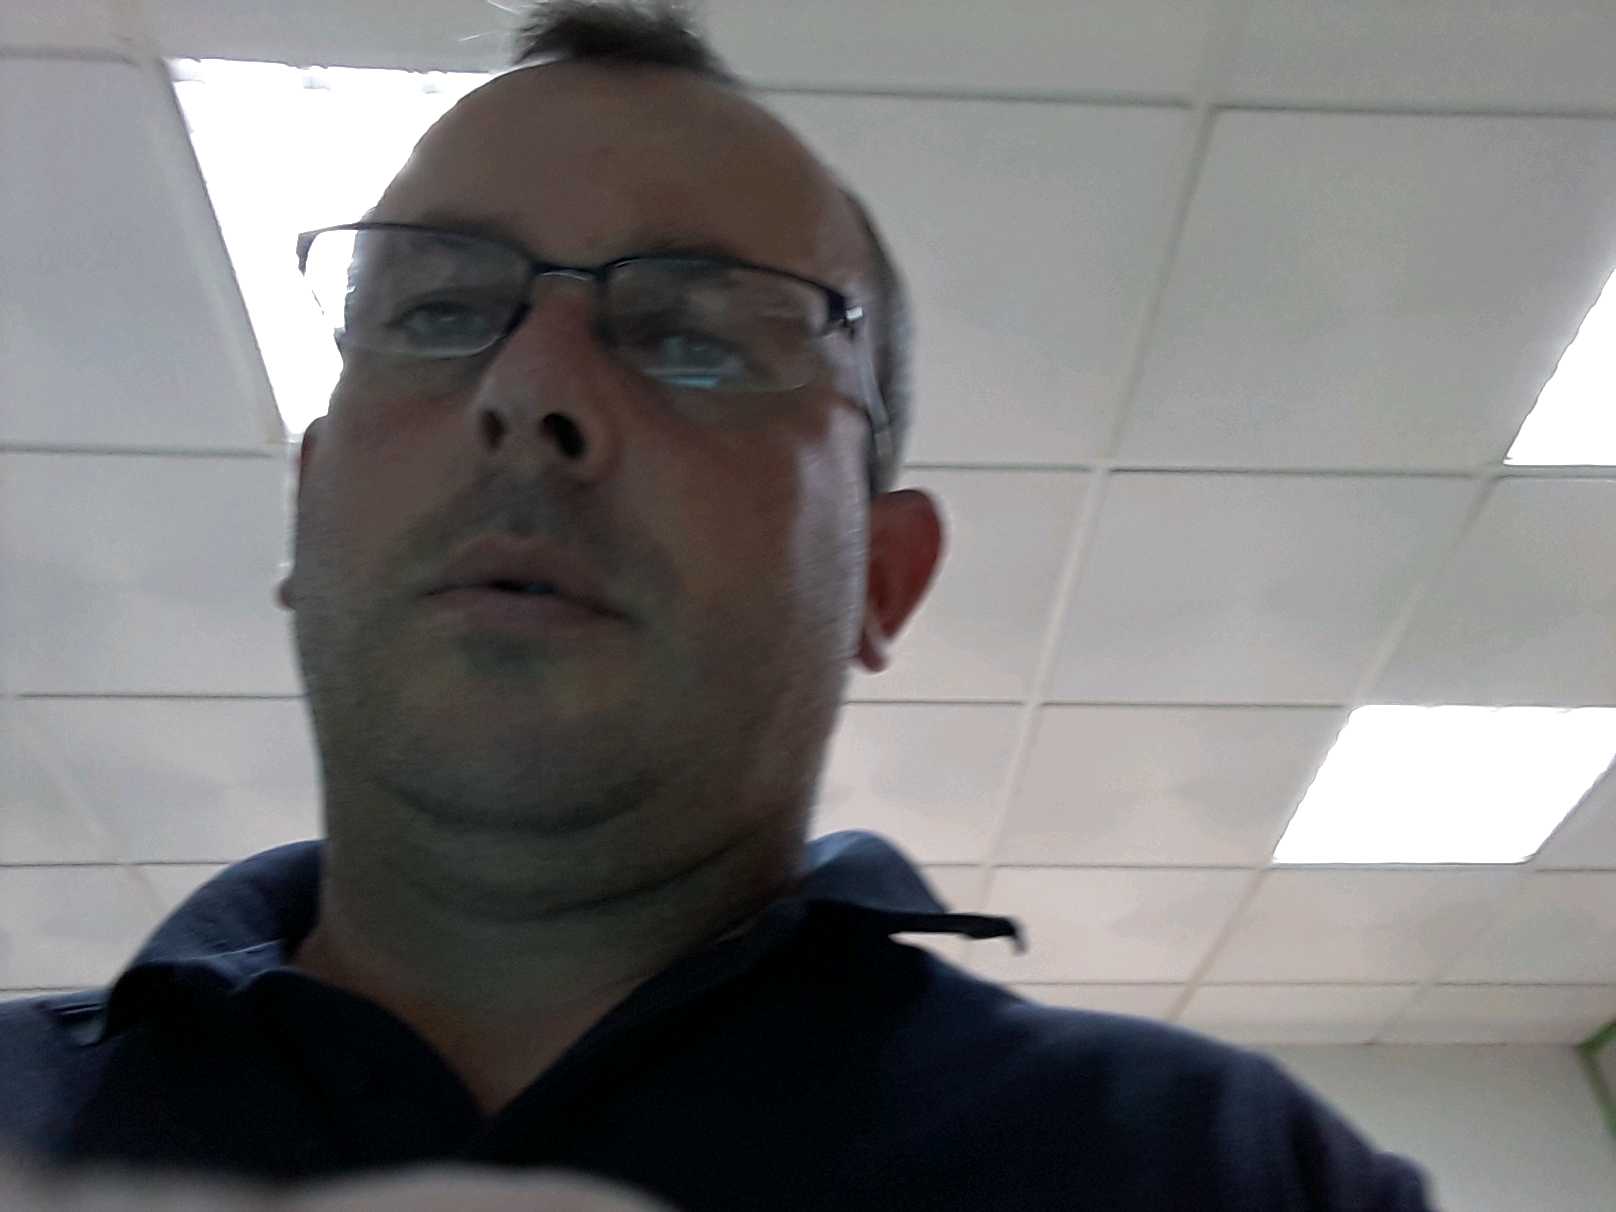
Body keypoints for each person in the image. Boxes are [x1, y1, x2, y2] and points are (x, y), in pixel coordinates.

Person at [1, 2, 1437, 1207]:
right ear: (307, 507)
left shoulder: (1213, 1169)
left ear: (882, 575)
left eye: (694, 336)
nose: (530, 388)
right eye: (437, 311)